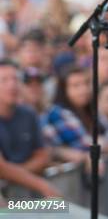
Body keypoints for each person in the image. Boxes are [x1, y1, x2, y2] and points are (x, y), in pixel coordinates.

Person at [0, 60, 60, 197]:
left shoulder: (28, 114)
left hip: (24, 194)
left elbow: (43, 155)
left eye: (15, 79)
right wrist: (41, 185)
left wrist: (16, 175)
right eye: (4, 80)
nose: (12, 85)